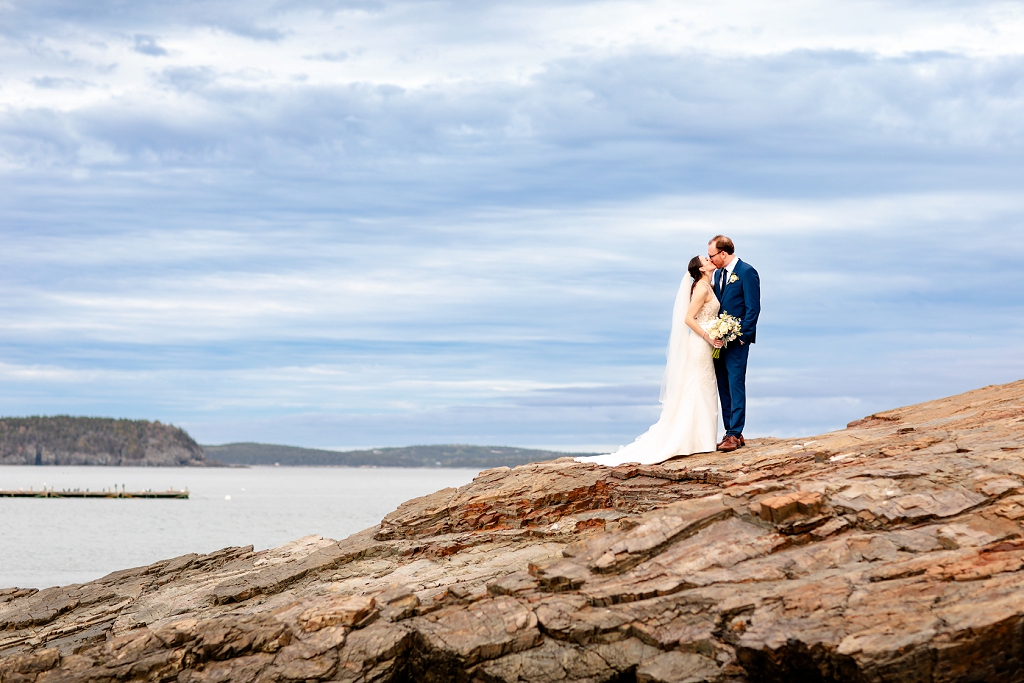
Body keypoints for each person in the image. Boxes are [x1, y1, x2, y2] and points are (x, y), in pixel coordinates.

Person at [577, 255, 723, 466]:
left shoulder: (708, 286)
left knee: (704, 386)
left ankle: (702, 439)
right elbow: (688, 318)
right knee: (697, 386)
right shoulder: (701, 287)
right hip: (700, 344)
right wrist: (708, 336)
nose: (710, 261)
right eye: (706, 260)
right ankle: (694, 440)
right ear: (701, 269)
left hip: (706, 344)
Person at [707, 235, 760, 452]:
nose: (710, 260)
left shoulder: (747, 272)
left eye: (712, 255)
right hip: (719, 341)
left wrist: (742, 336)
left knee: (736, 384)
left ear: (723, 253)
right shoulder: (718, 274)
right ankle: (732, 431)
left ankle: (734, 434)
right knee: (723, 385)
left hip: (737, 341)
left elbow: (753, 307)